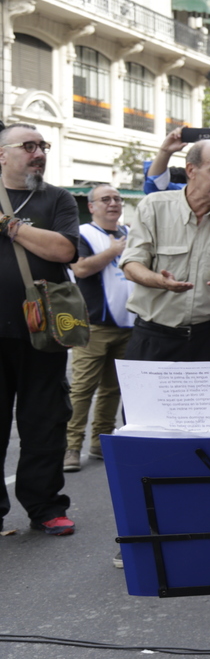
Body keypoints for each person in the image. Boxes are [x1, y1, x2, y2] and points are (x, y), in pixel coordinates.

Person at [0, 124, 80, 536]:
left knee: (45, 423)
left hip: (45, 331)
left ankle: (45, 507)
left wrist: (11, 226)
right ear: (2, 155)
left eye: (42, 146)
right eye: (28, 146)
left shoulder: (58, 198)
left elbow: (64, 249)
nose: (39, 153)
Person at [121, 141, 210, 362]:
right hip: (154, 337)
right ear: (191, 170)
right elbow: (131, 265)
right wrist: (159, 281)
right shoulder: (154, 206)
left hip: (209, 340)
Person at [63, 184, 134, 474]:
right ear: (91, 206)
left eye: (117, 199)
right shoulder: (83, 233)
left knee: (113, 389)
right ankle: (71, 446)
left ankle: (100, 442)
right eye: (105, 199)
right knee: (82, 389)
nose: (113, 203)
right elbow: (80, 268)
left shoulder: (129, 233)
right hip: (93, 326)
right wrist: (113, 251)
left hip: (128, 324)